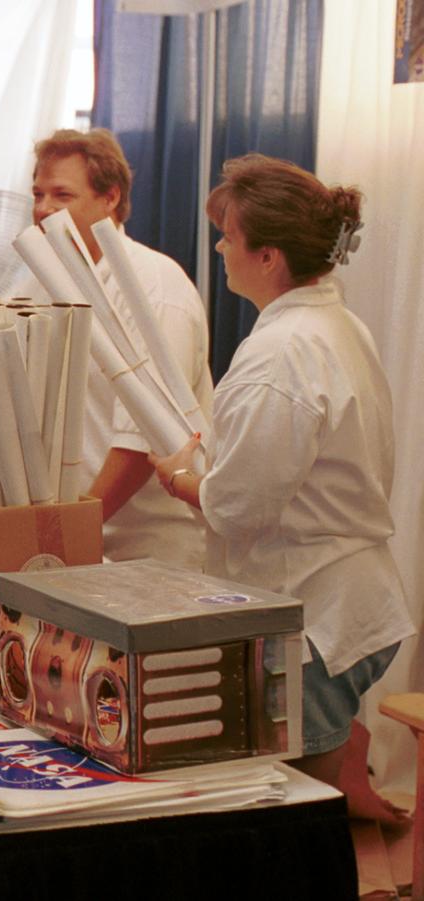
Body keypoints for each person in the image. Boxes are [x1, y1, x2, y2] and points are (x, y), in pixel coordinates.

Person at [149, 154, 416, 825]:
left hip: (319, 614)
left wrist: (182, 479)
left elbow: (238, 508)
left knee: (293, 819)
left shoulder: (284, 351)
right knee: (305, 802)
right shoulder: (333, 324)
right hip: (346, 598)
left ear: (267, 256)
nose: (218, 247)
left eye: (228, 237)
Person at [25, 128, 212, 570]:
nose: (42, 210)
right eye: (37, 194)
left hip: (152, 550)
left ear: (110, 199)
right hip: (80, 537)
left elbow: (142, 441)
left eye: (61, 196)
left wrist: (66, 533)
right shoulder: (35, 285)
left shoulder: (153, 288)